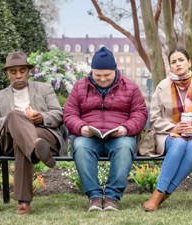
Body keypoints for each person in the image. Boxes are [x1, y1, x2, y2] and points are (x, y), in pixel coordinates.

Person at [63, 46, 148, 212]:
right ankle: (94, 197)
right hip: (88, 137)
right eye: (98, 75)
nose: (102, 79)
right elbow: (69, 114)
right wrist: (82, 128)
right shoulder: (80, 87)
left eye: (107, 75)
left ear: (115, 71)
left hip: (119, 137)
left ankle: (112, 198)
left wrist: (125, 128)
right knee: (79, 146)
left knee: (125, 147)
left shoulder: (130, 87)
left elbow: (140, 114)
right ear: (92, 71)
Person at [0, 51, 67, 215]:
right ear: (6, 73)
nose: (18, 76)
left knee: (21, 143)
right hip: (10, 140)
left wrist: (42, 117)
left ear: (28, 71)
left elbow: (58, 114)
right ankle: (35, 148)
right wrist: (11, 121)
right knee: (15, 116)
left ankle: (24, 202)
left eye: (22, 71)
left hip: (44, 134)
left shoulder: (44, 89)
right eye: (13, 72)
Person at [142, 47, 192, 212]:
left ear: (189, 62)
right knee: (180, 143)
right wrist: (174, 127)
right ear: (170, 66)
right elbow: (154, 118)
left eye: (181, 60)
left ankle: (163, 193)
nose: (178, 64)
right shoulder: (162, 87)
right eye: (173, 61)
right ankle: (159, 192)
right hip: (167, 135)